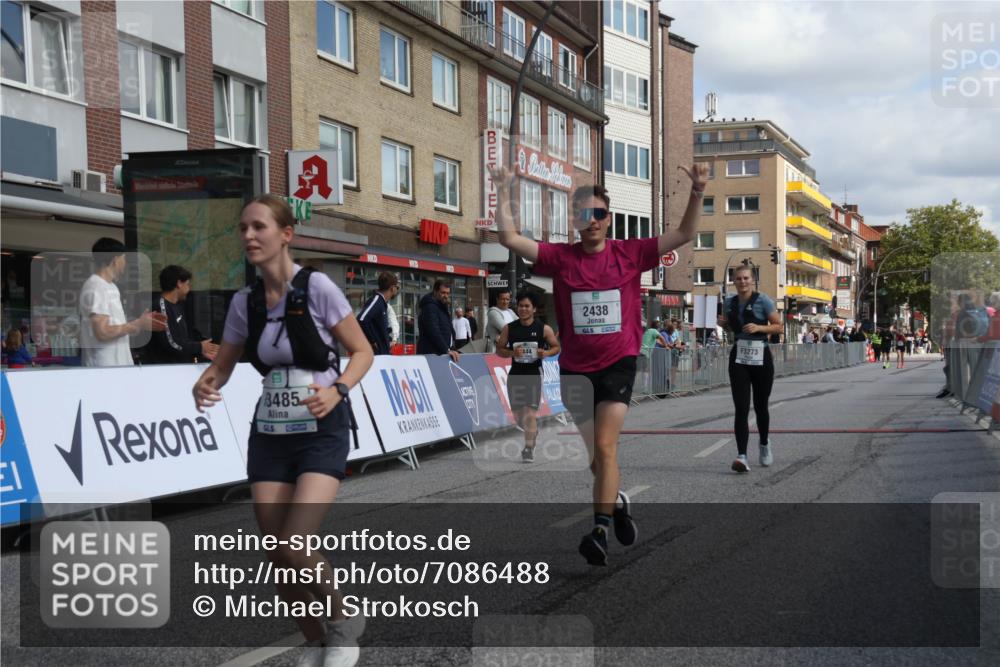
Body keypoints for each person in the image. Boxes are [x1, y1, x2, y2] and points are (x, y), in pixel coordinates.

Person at [491, 160, 707, 566]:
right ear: (574, 220)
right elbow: (509, 237)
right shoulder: (560, 258)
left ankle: (600, 531)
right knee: (596, 458)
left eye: (599, 213)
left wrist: (697, 192)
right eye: (584, 213)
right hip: (575, 369)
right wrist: (503, 190)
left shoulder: (630, 253)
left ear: (608, 219)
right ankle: (617, 504)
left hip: (617, 364)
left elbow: (684, 233)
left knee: (606, 447)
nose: (592, 220)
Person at [191, 194, 373, 667]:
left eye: (259, 227)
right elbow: (223, 366)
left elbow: (363, 352)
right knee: (277, 554)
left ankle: (342, 622)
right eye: (243, 228)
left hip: (321, 428)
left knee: (296, 543)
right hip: (270, 433)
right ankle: (315, 644)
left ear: (286, 234)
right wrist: (206, 382)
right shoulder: (244, 302)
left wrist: (338, 390)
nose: (248, 236)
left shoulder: (317, 288)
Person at [717, 263, 782, 473]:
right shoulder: (729, 302)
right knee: (741, 407)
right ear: (733, 281)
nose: (742, 282)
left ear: (752, 280)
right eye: (738, 278)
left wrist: (759, 327)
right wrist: (724, 324)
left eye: (746, 278)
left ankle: (764, 443)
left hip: (761, 356)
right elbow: (732, 327)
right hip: (739, 356)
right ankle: (742, 456)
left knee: (761, 405)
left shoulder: (763, 300)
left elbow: (778, 326)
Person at [79, 237, 166, 367]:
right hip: (104, 368)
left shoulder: (110, 286)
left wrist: (142, 322)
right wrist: (138, 324)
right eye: (124, 258)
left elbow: (114, 326)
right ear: (115, 260)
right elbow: (102, 332)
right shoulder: (97, 287)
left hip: (118, 366)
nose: (125, 263)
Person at [495, 291, 561, 462]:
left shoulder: (543, 328)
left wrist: (545, 353)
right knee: (519, 417)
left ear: (534, 309)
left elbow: (556, 347)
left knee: (530, 413)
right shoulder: (509, 328)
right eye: (520, 306)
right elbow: (499, 350)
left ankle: (528, 448)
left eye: (527, 306)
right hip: (516, 374)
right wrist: (512, 352)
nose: (523, 309)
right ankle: (532, 431)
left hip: (533, 374)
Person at [144, 265, 219, 364]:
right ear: (179, 283)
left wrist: (200, 351)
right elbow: (171, 343)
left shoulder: (177, 305)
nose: (189, 289)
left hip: (181, 365)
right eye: (187, 284)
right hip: (166, 368)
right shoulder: (160, 307)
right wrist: (199, 347)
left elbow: (183, 341)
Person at [357, 271, 399, 355]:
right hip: (377, 355)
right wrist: (372, 341)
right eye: (397, 287)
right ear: (392, 288)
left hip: (382, 354)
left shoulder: (382, 303)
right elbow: (361, 319)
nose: (397, 290)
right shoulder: (377, 301)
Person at [417, 280, 460, 362]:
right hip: (432, 355)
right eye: (443, 293)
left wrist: (452, 346)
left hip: (441, 353)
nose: (446, 296)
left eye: (448, 293)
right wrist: (446, 350)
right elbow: (433, 330)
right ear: (435, 292)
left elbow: (446, 327)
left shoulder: (441, 306)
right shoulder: (430, 307)